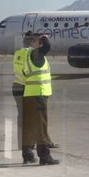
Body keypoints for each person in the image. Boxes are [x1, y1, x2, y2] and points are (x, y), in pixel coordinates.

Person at [21, 34, 60, 165]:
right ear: (34, 43)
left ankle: (27, 154)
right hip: (38, 94)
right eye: (39, 42)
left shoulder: (28, 55)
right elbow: (47, 47)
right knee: (41, 126)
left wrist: (41, 39)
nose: (41, 44)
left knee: (29, 125)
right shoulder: (36, 54)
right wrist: (45, 38)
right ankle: (44, 156)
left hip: (29, 94)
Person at [12, 33, 33, 157]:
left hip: (17, 84)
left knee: (21, 117)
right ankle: (28, 145)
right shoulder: (30, 53)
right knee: (30, 118)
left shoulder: (18, 53)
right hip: (27, 87)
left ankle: (22, 144)